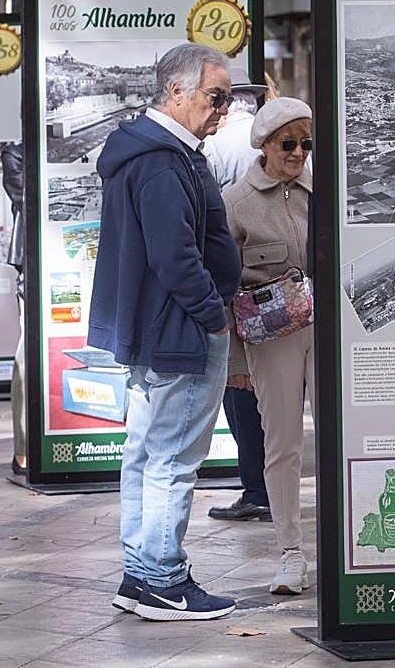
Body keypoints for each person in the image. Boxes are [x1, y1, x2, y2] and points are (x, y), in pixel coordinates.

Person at [87, 43, 242, 621]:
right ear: (175, 91)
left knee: (146, 454)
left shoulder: (153, 153)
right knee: (171, 459)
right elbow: (174, 256)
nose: (223, 110)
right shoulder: (161, 161)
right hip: (181, 333)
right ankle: (160, 579)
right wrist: (214, 314)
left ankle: (143, 573)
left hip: (160, 330)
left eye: (228, 99)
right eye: (215, 97)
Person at [223, 97, 314, 594]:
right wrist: (236, 363)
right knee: (282, 446)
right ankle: (290, 554)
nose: (298, 152)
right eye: (288, 143)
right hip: (269, 341)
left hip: (325, 333)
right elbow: (223, 288)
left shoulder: (324, 192)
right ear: (264, 145)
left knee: (344, 436)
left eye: (306, 142)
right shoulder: (236, 203)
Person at [202, 68, 273, 523]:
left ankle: (256, 488)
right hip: (287, 285)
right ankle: (274, 484)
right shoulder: (280, 142)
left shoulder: (214, 147)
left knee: (240, 386)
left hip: (239, 284)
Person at [1, 141, 26, 476]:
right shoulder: (17, 153)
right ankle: (25, 448)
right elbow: (26, 198)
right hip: (34, 263)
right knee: (28, 359)